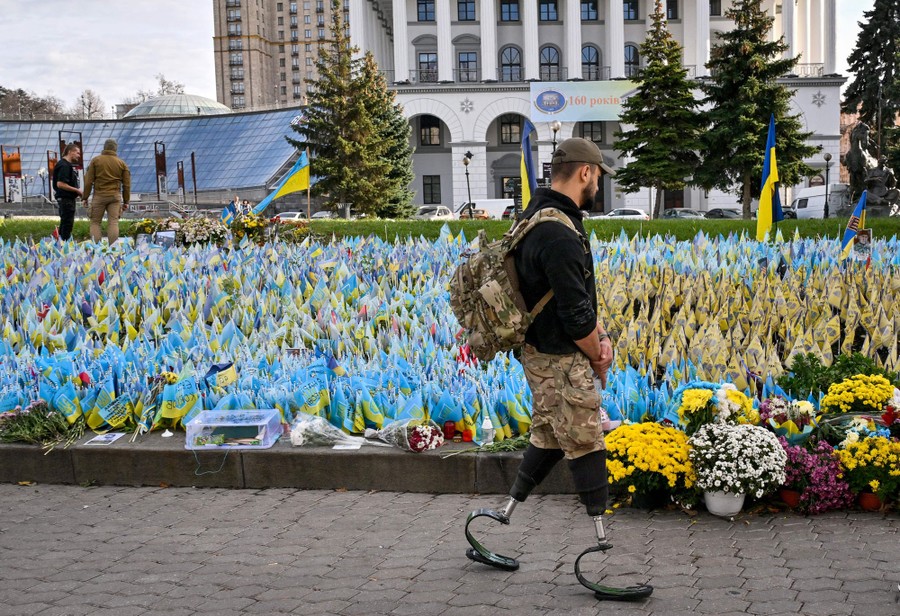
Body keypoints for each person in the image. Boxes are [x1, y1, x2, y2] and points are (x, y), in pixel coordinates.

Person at [464, 139, 640, 599]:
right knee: (584, 439)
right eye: (599, 176)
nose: (599, 183)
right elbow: (575, 313)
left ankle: (503, 514)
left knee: (548, 433)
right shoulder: (559, 233)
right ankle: (603, 549)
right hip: (561, 359)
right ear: (585, 173)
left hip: (539, 355)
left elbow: (577, 297)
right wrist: (598, 350)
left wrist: (599, 341)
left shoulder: (535, 217)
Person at [82, 138, 131, 243]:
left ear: (104, 147)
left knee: (95, 222)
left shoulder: (96, 160)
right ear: (115, 149)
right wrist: (126, 201)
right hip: (115, 196)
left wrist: (85, 197)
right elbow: (127, 185)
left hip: (99, 196)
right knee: (113, 222)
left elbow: (88, 181)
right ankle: (112, 249)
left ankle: (97, 249)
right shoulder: (122, 163)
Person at [52, 143, 83, 240]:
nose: (79, 155)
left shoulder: (64, 164)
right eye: (77, 153)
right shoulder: (64, 165)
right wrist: (77, 190)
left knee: (65, 223)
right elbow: (60, 184)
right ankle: (64, 244)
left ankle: (60, 242)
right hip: (66, 199)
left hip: (66, 199)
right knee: (67, 224)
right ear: (70, 152)